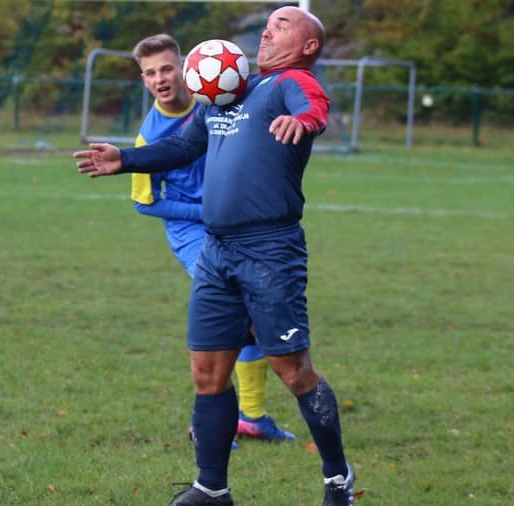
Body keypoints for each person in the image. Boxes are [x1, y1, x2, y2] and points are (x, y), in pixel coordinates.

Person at [74, 7, 353, 506]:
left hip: (269, 250)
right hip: (216, 251)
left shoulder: (290, 84)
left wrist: (303, 122)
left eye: (283, 25)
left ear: (308, 46)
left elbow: (315, 107)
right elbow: (182, 148)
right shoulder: (225, 93)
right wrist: (126, 159)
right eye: (268, 24)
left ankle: (337, 478)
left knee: (293, 370)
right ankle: (212, 489)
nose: (268, 30)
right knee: (207, 372)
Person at [129, 33, 295, 443]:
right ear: (144, 80)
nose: (159, 79)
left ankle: (251, 417)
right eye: (149, 73)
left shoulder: (217, 104)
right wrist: (203, 211)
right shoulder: (149, 135)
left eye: (166, 68)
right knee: (231, 313)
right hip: (192, 235)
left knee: (255, 315)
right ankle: (205, 422)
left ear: (184, 67)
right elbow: (145, 203)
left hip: (236, 225)